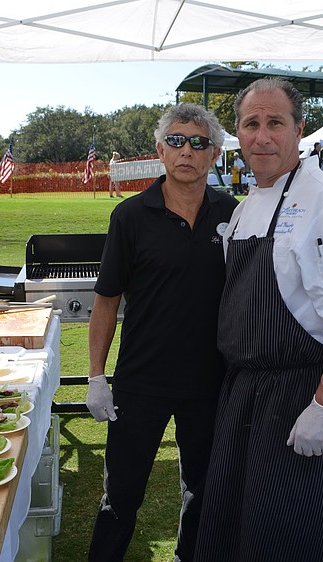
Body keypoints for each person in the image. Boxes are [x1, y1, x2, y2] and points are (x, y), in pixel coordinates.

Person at [194, 78, 323, 562]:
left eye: (275, 123)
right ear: (237, 134)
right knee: (234, 530)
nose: (262, 137)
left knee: (288, 538)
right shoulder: (244, 209)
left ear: (298, 130)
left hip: (299, 397)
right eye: (251, 124)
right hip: (243, 394)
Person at [87, 103, 238, 562]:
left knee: (204, 491)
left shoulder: (233, 214)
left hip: (210, 384)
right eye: (176, 141)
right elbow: (107, 301)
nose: (186, 151)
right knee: (121, 496)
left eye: (198, 143)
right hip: (141, 381)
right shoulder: (130, 216)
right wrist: (96, 376)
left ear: (213, 155)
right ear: (160, 150)